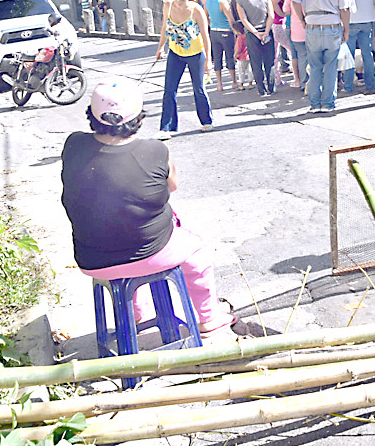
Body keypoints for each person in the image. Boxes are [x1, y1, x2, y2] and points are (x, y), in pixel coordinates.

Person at [61, 79, 246, 341]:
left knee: (118, 223)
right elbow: (172, 185)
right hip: (151, 255)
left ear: (92, 115)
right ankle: (209, 318)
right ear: (138, 118)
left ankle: (136, 311)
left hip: (92, 261)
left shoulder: (73, 144)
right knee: (196, 248)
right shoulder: (155, 150)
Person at [293, 0, 351, 113]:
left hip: (312, 24)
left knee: (315, 65)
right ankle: (327, 102)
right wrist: (346, 29)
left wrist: (302, 20)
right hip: (332, 24)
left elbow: (296, 1)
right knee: (331, 66)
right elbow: (344, 8)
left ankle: (314, 103)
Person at [155, 0, 212, 139]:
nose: (179, 2)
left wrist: (208, 60)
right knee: (169, 89)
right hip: (175, 53)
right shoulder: (168, 5)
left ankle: (206, 121)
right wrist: (160, 47)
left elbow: (205, 36)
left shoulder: (196, 10)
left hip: (195, 53)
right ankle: (166, 127)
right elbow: (165, 28)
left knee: (198, 89)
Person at [235, 0, 274, 96]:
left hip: (252, 34)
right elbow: (271, 15)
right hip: (266, 30)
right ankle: (271, 87)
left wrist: (256, 33)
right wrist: (266, 31)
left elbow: (244, 20)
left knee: (256, 62)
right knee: (269, 61)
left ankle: (261, 89)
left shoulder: (240, 0)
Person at [203, 0, 236, 93]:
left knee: (217, 58)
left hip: (214, 31)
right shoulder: (222, 2)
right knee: (229, 56)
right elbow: (230, 19)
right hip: (226, 31)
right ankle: (234, 81)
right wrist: (235, 29)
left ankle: (219, 84)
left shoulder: (207, 1)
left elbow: (206, 16)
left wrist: (211, 24)